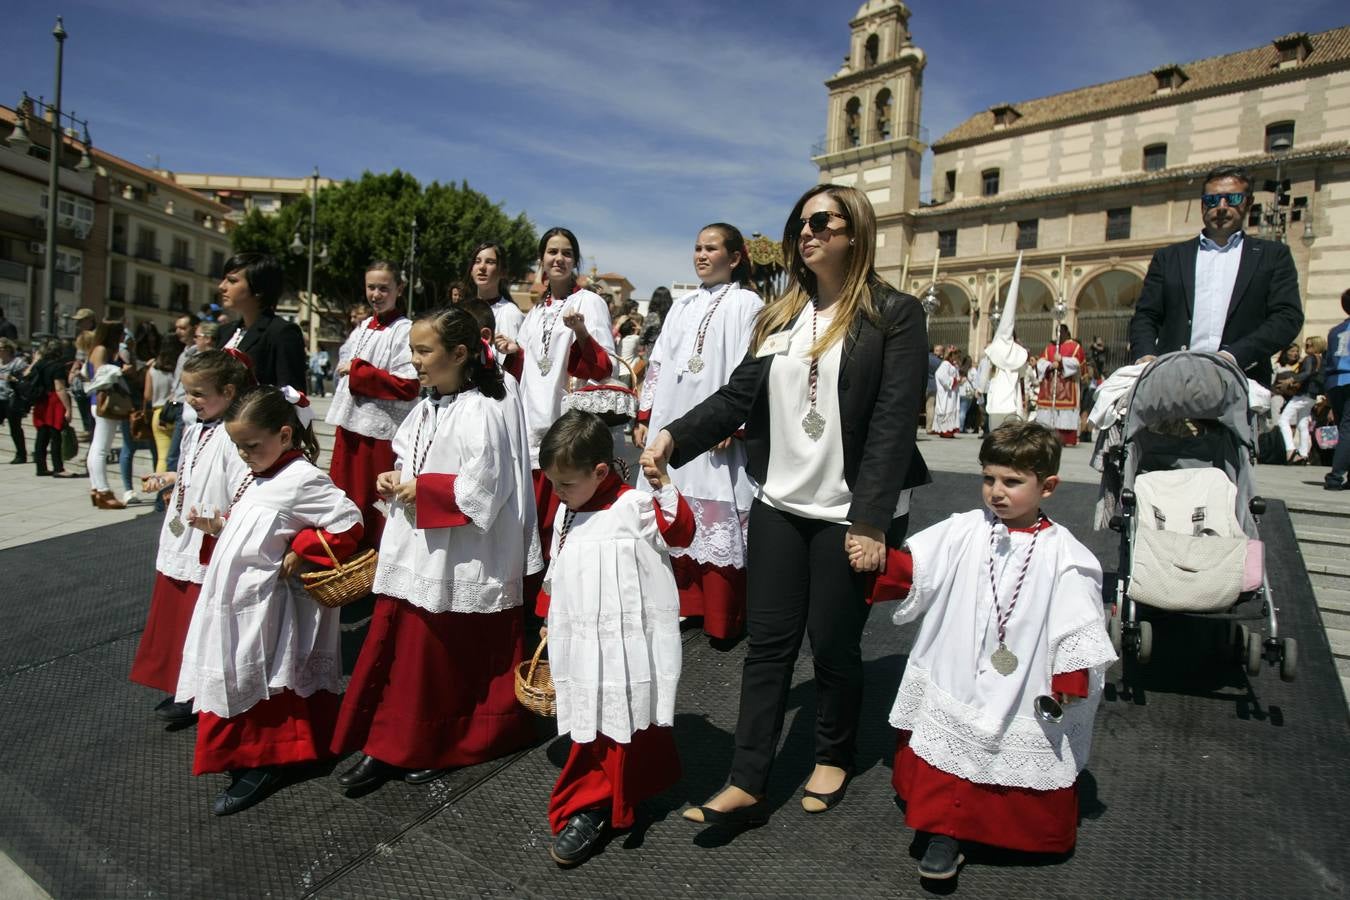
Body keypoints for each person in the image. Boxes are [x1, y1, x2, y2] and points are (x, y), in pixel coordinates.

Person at [642, 184, 930, 825]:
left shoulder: (895, 314)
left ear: (854, 231)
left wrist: (871, 520)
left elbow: (893, 422)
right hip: (779, 501)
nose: (807, 232)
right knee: (768, 646)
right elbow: (735, 396)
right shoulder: (780, 318)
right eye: (801, 222)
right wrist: (672, 437)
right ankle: (746, 780)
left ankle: (833, 752)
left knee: (833, 645)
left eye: (822, 221)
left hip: (848, 509)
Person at [868, 420, 1116, 880]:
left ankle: (1010, 831)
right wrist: (879, 565)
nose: (996, 492)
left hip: (1025, 677)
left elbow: (1078, 619)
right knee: (954, 744)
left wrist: (1071, 675)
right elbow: (919, 567)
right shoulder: (966, 528)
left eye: (1012, 482)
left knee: (1012, 746)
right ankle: (944, 832)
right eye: (989, 479)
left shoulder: (1066, 554)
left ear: (1048, 487)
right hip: (958, 662)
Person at [331, 305, 536, 791]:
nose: (415, 361)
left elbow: (484, 489)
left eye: (424, 351)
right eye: (412, 351)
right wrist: (394, 477)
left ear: (459, 354)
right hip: (416, 548)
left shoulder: (484, 409)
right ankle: (387, 742)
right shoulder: (427, 406)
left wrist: (421, 490)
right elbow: (410, 456)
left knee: (439, 658)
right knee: (402, 653)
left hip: (457, 555)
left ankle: (437, 742)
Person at [176, 385, 363, 816]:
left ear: (284, 434)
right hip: (236, 600)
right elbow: (258, 525)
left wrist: (302, 547)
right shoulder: (260, 472)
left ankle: (267, 759)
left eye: (252, 445)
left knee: (266, 679)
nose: (244, 454)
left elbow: (348, 522)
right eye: (238, 446)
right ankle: (256, 754)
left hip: (268, 606)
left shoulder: (303, 478)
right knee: (239, 672)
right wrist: (219, 524)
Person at [541, 410, 694, 867]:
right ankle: (605, 802)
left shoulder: (634, 506)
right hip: (585, 640)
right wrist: (549, 617)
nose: (557, 492)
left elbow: (681, 533)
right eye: (553, 483)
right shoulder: (569, 509)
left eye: (565, 483)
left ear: (600, 471)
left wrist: (664, 484)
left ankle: (594, 805)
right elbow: (559, 566)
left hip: (627, 645)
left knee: (620, 724)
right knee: (594, 718)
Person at [633, 223, 764, 642]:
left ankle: (721, 614)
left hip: (715, 429)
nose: (702, 255)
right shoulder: (682, 305)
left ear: (735, 257)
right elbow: (658, 363)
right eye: (697, 248)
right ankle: (676, 603)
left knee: (715, 507)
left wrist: (731, 423)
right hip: (671, 419)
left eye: (711, 248)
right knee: (670, 502)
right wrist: (645, 414)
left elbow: (750, 367)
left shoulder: (748, 303)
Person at [491, 227, 616, 610]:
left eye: (565, 252)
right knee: (533, 525)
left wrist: (582, 332)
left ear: (575, 260)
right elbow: (530, 370)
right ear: (541, 259)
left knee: (561, 523)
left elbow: (604, 368)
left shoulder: (590, 302)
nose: (558, 258)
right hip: (530, 429)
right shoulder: (535, 312)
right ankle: (533, 605)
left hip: (566, 428)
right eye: (551, 252)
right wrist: (514, 352)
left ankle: (561, 606)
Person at [130, 350, 253, 724]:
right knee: (176, 618)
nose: (190, 400)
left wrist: (220, 521)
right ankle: (181, 685)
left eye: (199, 393)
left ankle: (199, 692)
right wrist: (170, 479)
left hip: (208, 538)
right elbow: (190, 468)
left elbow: (243, 488)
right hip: (182, 535)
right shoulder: (198, 427)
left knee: (200, 620)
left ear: (228, 392)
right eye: (188, 392)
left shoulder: (236, 435)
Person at [1129, 165, 1303, 386]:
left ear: (1249, 202)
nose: (1221, 207)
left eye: (1232, 199)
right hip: (1172, 382)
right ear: (1202, 204)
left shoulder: (1273, 256)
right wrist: (1145, 354)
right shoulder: (1169, 257)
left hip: (1242, 380)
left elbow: (1287, 317)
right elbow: (1146, 315)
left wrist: (1235, 355)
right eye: (1212, 200)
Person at [325, 261, 420, 549]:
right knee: (344, 496)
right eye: (371, 287)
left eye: (383, 288)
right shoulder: (364, 326)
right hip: (350, 427)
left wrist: (359, 371)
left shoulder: (404, 330)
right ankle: (344, 553)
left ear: (399, 289)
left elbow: (408, 385)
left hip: (378, 435)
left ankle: (373, 558)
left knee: (371, 501)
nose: (376, 294)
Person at [214, 252, 307, 392]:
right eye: (224, 279)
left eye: (232, 281)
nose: (222, 286)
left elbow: (292, 393)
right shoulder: (225, 331)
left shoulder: (281, 332)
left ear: (258, 289)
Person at [85, 320, 132, 508]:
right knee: (101, 449)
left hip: (99, 402)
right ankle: (103, 491)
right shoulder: (101, 350)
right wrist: (121, 370)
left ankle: (96, 488)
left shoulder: (98, 349)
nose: (124, 336)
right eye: (121, 332)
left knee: (97, 447)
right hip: (105, 402)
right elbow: (102, 375)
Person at [467, 241, 525, 376]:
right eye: (477, 261)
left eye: (490, 262)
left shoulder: (510, 313)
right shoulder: (463, 309)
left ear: (502, 271)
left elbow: (510, 369)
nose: (482, 267)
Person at [26, 340, 74, 478]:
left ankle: (41, 467)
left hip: (41, 401)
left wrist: (35, 360)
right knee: (55, 435)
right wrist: (68, 408)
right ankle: (58, 468)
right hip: (53, 401)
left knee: (42, 435)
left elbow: (26, 375)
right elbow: (59, 388)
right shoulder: (57, 366)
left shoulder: (39, 364)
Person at [1034, 324, 1086, 446]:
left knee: (1065, 414)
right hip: (1049, 388)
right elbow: (1040, 363)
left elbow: (1077, 364)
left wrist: (1062, 360)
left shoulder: (1075, 347)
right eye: (1056, 332)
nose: (1058, 335)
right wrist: (1050, 365)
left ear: (1067, 333)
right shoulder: (1050, 348)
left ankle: (1066, 438)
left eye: (1060, 332)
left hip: (1067, 388)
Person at [1278, 335, 1325, 464]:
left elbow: (1307, 373)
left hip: (1303, 394)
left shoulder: (1309, 358)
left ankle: (1290, 450)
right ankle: (1303, 454)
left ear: (1316, 346)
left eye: (1309, 345)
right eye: (1306, 344)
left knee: (1283, 420)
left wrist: (1291, 379)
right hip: (1312, 396)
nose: (1306, 347)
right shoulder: (1322, 360)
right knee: (1302, 424)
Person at [163, 315, 199, 474]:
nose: (178, 331)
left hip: (186, 407)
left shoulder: (197, 354)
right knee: (172, 455)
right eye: (177, 327)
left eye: (183, 328)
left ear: (194, 328)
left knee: (174, 456)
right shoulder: (183, 353)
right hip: (175, 405)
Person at [1324, 289, 1350, 491]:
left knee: (1345, 429)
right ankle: (1335, 476)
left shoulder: (1335, 331)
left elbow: (1328, 360)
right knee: (1348, 429)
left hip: (1334, 382)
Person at [145, 343, 179, 473]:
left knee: (163, 456)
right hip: (176, 410)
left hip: (159, 413)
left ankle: (161, 483)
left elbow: (147, 396)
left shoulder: (152, 370)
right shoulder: (176, 369)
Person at [0, 338, 29, 464]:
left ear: (7, 349)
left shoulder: (18, 363)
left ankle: (21, 454)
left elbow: (26, 379)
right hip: (0, 398)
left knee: (15, 428)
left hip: (13, 398)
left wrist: (13, 378)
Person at [932, 347, 963, 438]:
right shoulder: (945, 364)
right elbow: (940, 375)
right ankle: (945, 430)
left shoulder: (952, 365)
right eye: (955, 355)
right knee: (946, 408)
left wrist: (958, 379)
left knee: (951, 409)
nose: (956, 357)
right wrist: (953, 381)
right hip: (946, 393)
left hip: (952, 393)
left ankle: (950, 430)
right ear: (951, 355)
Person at [924, 344, 942, 433]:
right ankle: (929, 428)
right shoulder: (938, 361)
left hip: (921, 384)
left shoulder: (922, 359)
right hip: (932, 385)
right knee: (930, 407)